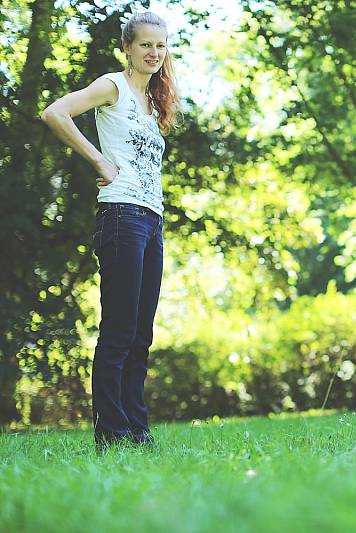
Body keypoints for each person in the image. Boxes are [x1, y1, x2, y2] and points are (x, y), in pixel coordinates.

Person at [42, 12, 179, 446]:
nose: (154, 53)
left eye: (160, 45)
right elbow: (55, 112)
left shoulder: (153, 102)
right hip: (121, 217)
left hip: (150, 221)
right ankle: (112, 433)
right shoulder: (112, 85)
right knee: (119, 332)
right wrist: (98, 159)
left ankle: (137, 432)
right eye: (145, 45)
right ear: (128, 48)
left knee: (141, 335)